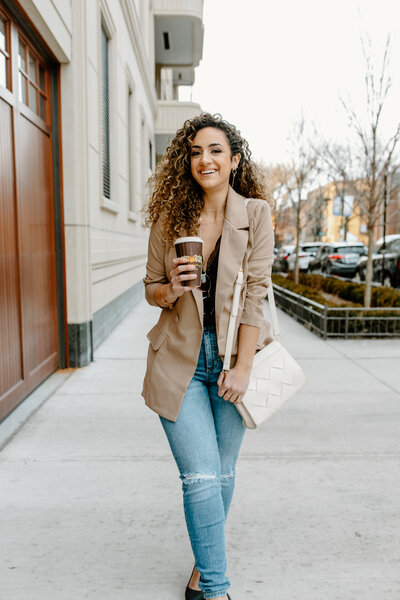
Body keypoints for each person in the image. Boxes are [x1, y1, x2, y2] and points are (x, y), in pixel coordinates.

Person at [142, 113, 275, 600]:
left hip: (230, 360)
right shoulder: (170, 217)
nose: (206, 159)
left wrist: (241, 365)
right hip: (180, 359)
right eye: (196, 151)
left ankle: (202, 569)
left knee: (221, 474)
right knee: (199, 476)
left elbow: (256, 293)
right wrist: (172, 288)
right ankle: (216, 590)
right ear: (187, 160)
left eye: (216, 150)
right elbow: (150, 289)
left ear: (234, 159)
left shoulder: (256, 214)